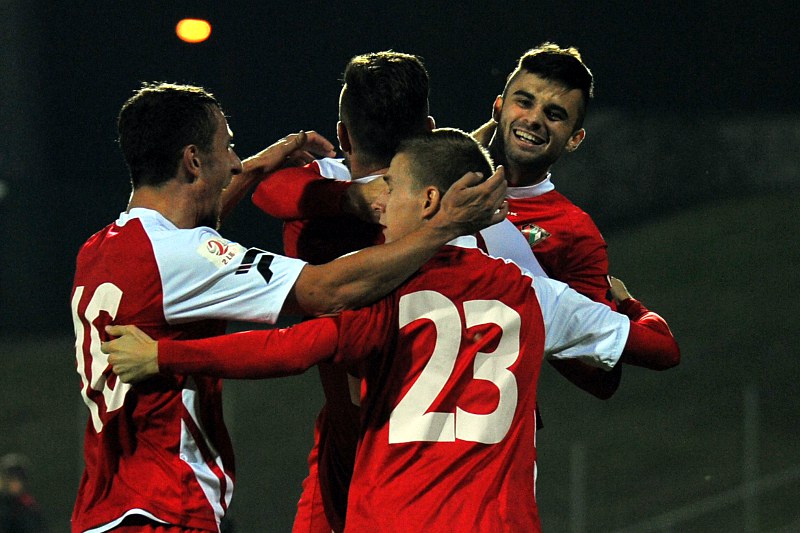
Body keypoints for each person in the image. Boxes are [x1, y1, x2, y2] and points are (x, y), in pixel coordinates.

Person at [101, 128, 680, 532]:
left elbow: (292, 348)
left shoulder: (386, 289)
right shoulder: (535, 294)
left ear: (427, 200)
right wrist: (631, 308)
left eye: (391, 189)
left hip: (394, 518)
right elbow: (661, 349)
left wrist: (164, 356)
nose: (379, 204)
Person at [69, 83, 508, 533]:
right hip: (161, 508)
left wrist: (262, 164)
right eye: (228, 147)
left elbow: (187, 239)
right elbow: (325, 290)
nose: (236, 163)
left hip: (104, 508)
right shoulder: (179, 256)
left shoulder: (100, 250)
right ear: (193, 161)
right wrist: (443, 227)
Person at [241, 51, 544, 533]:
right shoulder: (477, 221)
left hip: (355, 446)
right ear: (428, 131)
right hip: (448, 464)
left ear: (343, 136)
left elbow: (266, 189)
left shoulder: (311, 204)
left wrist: (342, 194)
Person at [474, 42, 624, 399]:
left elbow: (602, 375)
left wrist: (542, 307)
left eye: (554, 114)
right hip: (390, 408)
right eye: (524, 102)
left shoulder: (575, 231)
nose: (534, 119)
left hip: (490, 418)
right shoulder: (433, 174)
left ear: (575, 139)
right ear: (498, 107)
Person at [0, 453, 46, 533]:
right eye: (11, 478)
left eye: (19, 478)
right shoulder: (3, 504)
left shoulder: (29, 506)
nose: (16, 483)